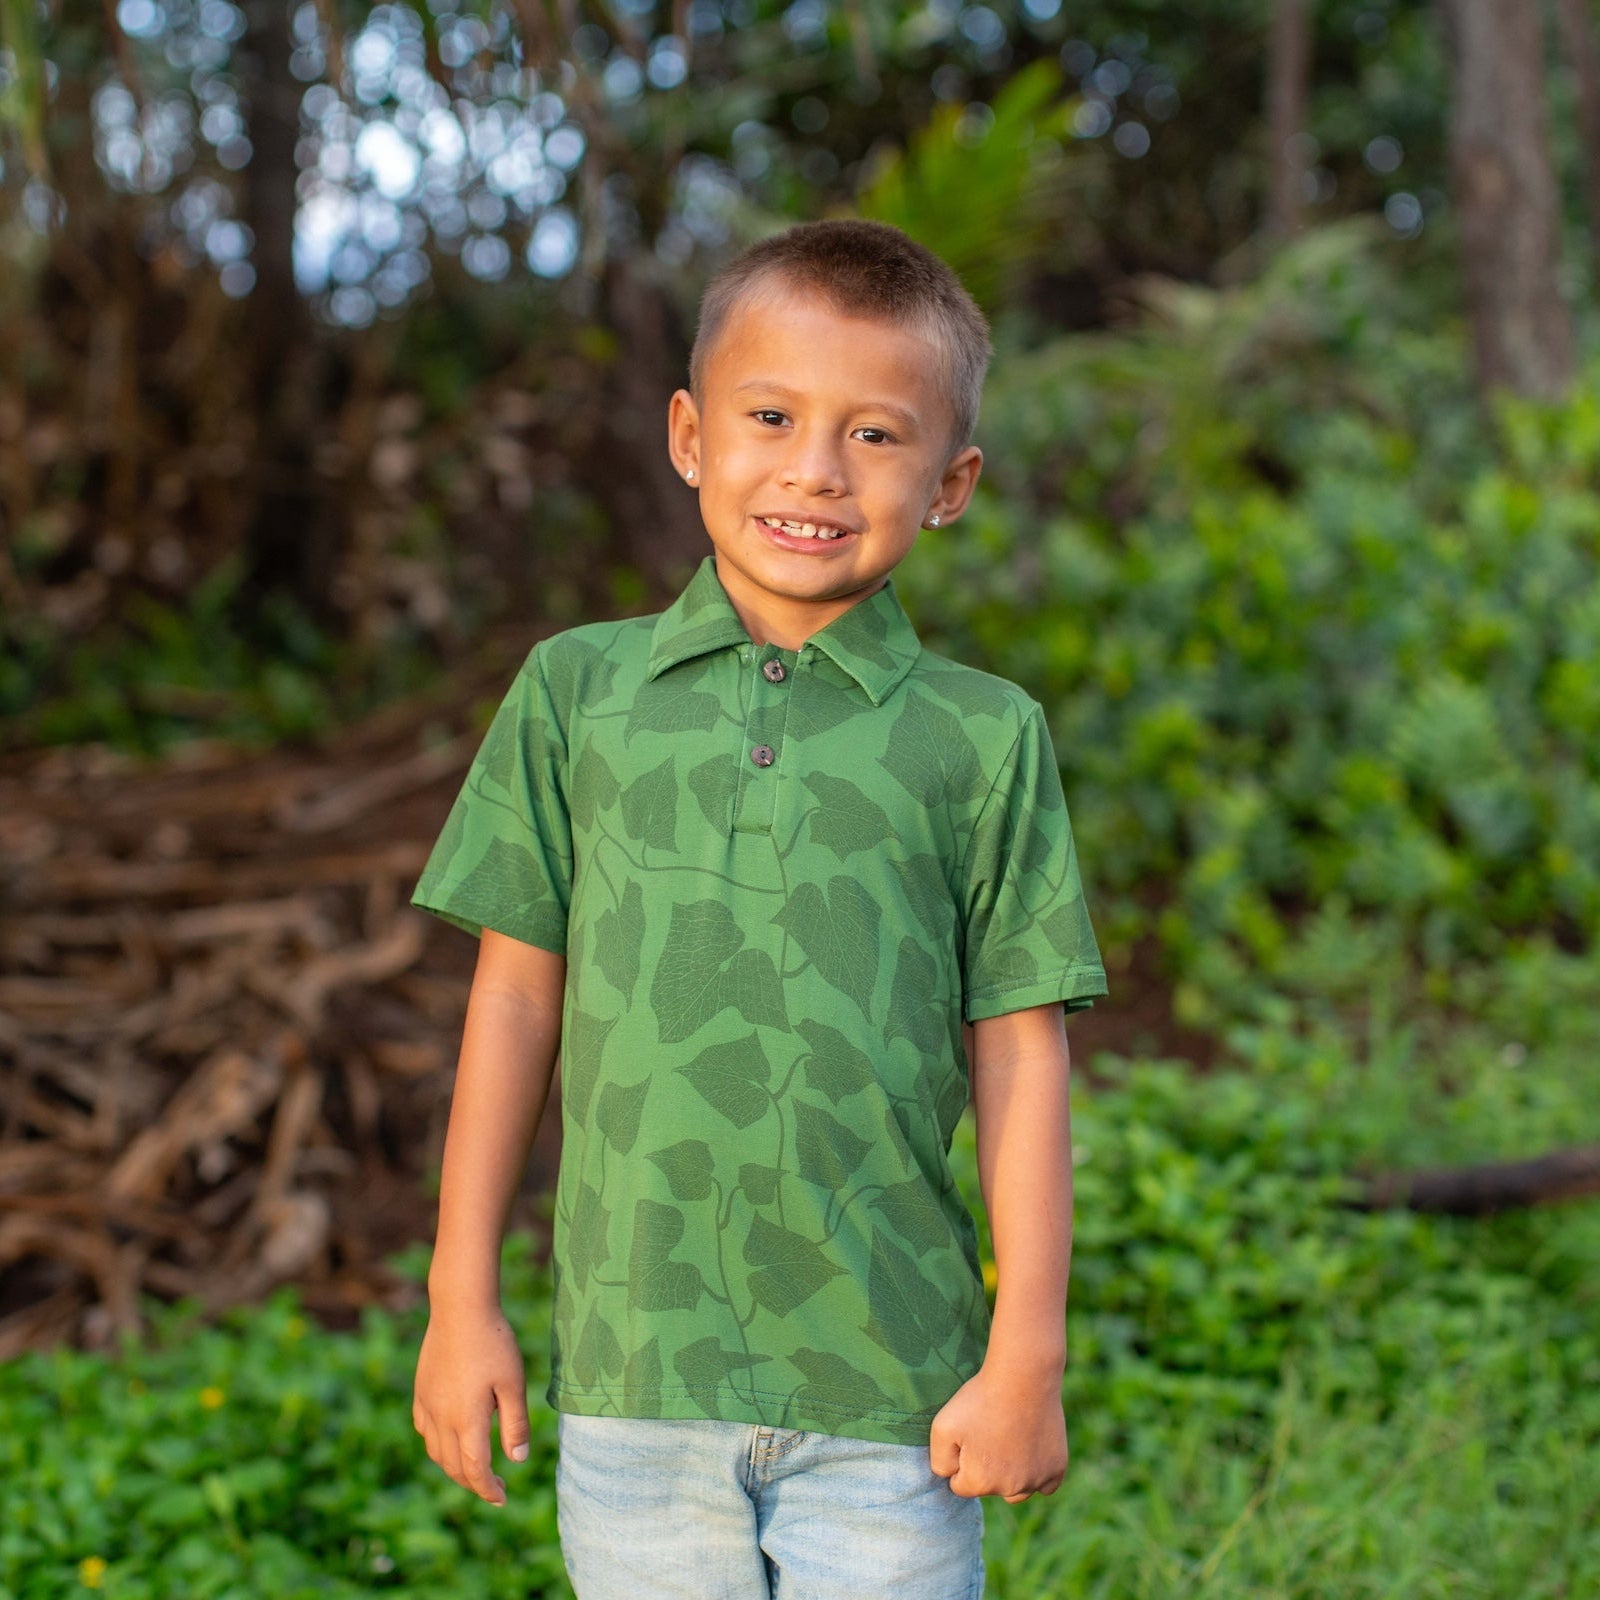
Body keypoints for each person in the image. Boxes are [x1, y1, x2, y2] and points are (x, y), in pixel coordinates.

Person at [408, 217, 1108, 1600]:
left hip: (892, 1389)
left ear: (952, 481)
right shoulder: (577, 695)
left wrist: (1027, 1350)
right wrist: (457, 1296)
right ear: (689, 434)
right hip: (636, 1380)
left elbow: (1021, 1050)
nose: (814, 471)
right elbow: (515, 997)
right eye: (773, 416)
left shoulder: (982, 737)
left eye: (876, 435)